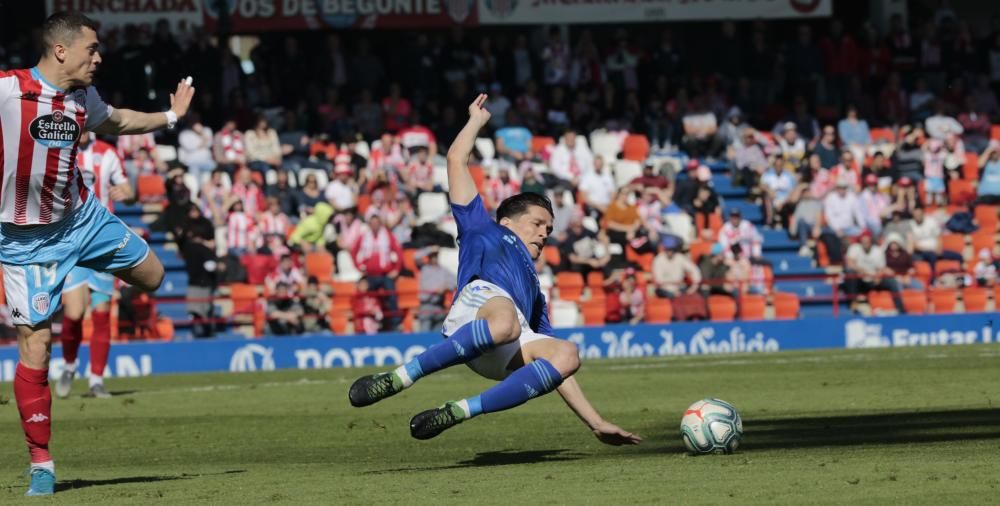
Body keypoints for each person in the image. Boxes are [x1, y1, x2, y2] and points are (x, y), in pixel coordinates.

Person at [348, 95, 640, 445]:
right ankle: (400, 377)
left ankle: (460, 410)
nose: (544, 233)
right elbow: (456, 160)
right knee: (506, 321)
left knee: (567, 353)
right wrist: (475, 122)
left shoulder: (534, 290)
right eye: (537, 223)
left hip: (501, 349)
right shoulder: (482, 228)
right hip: (478, 310)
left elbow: (555, 369)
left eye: (549, 229)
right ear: (507, 220)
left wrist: (596, 422)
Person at [0, 12, 194, 496]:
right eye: (93, 48)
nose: (100, 57)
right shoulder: (7, 89)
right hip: (23, 241)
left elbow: (122, 119)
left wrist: (171, 117)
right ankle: (42, 463)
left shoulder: (83, 97)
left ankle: (82, 274)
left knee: (152, 276)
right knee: (35, 345)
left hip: (83, 220)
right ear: (61, 50)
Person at [55, 130, 132, 400]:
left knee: (101, 312)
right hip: (73, 242)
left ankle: (97, 379)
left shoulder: (107, 153)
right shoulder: (62, 148)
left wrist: (127, 193)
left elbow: (129, 190)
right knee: (74, 312)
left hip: (103, 242)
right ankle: (69, 365)